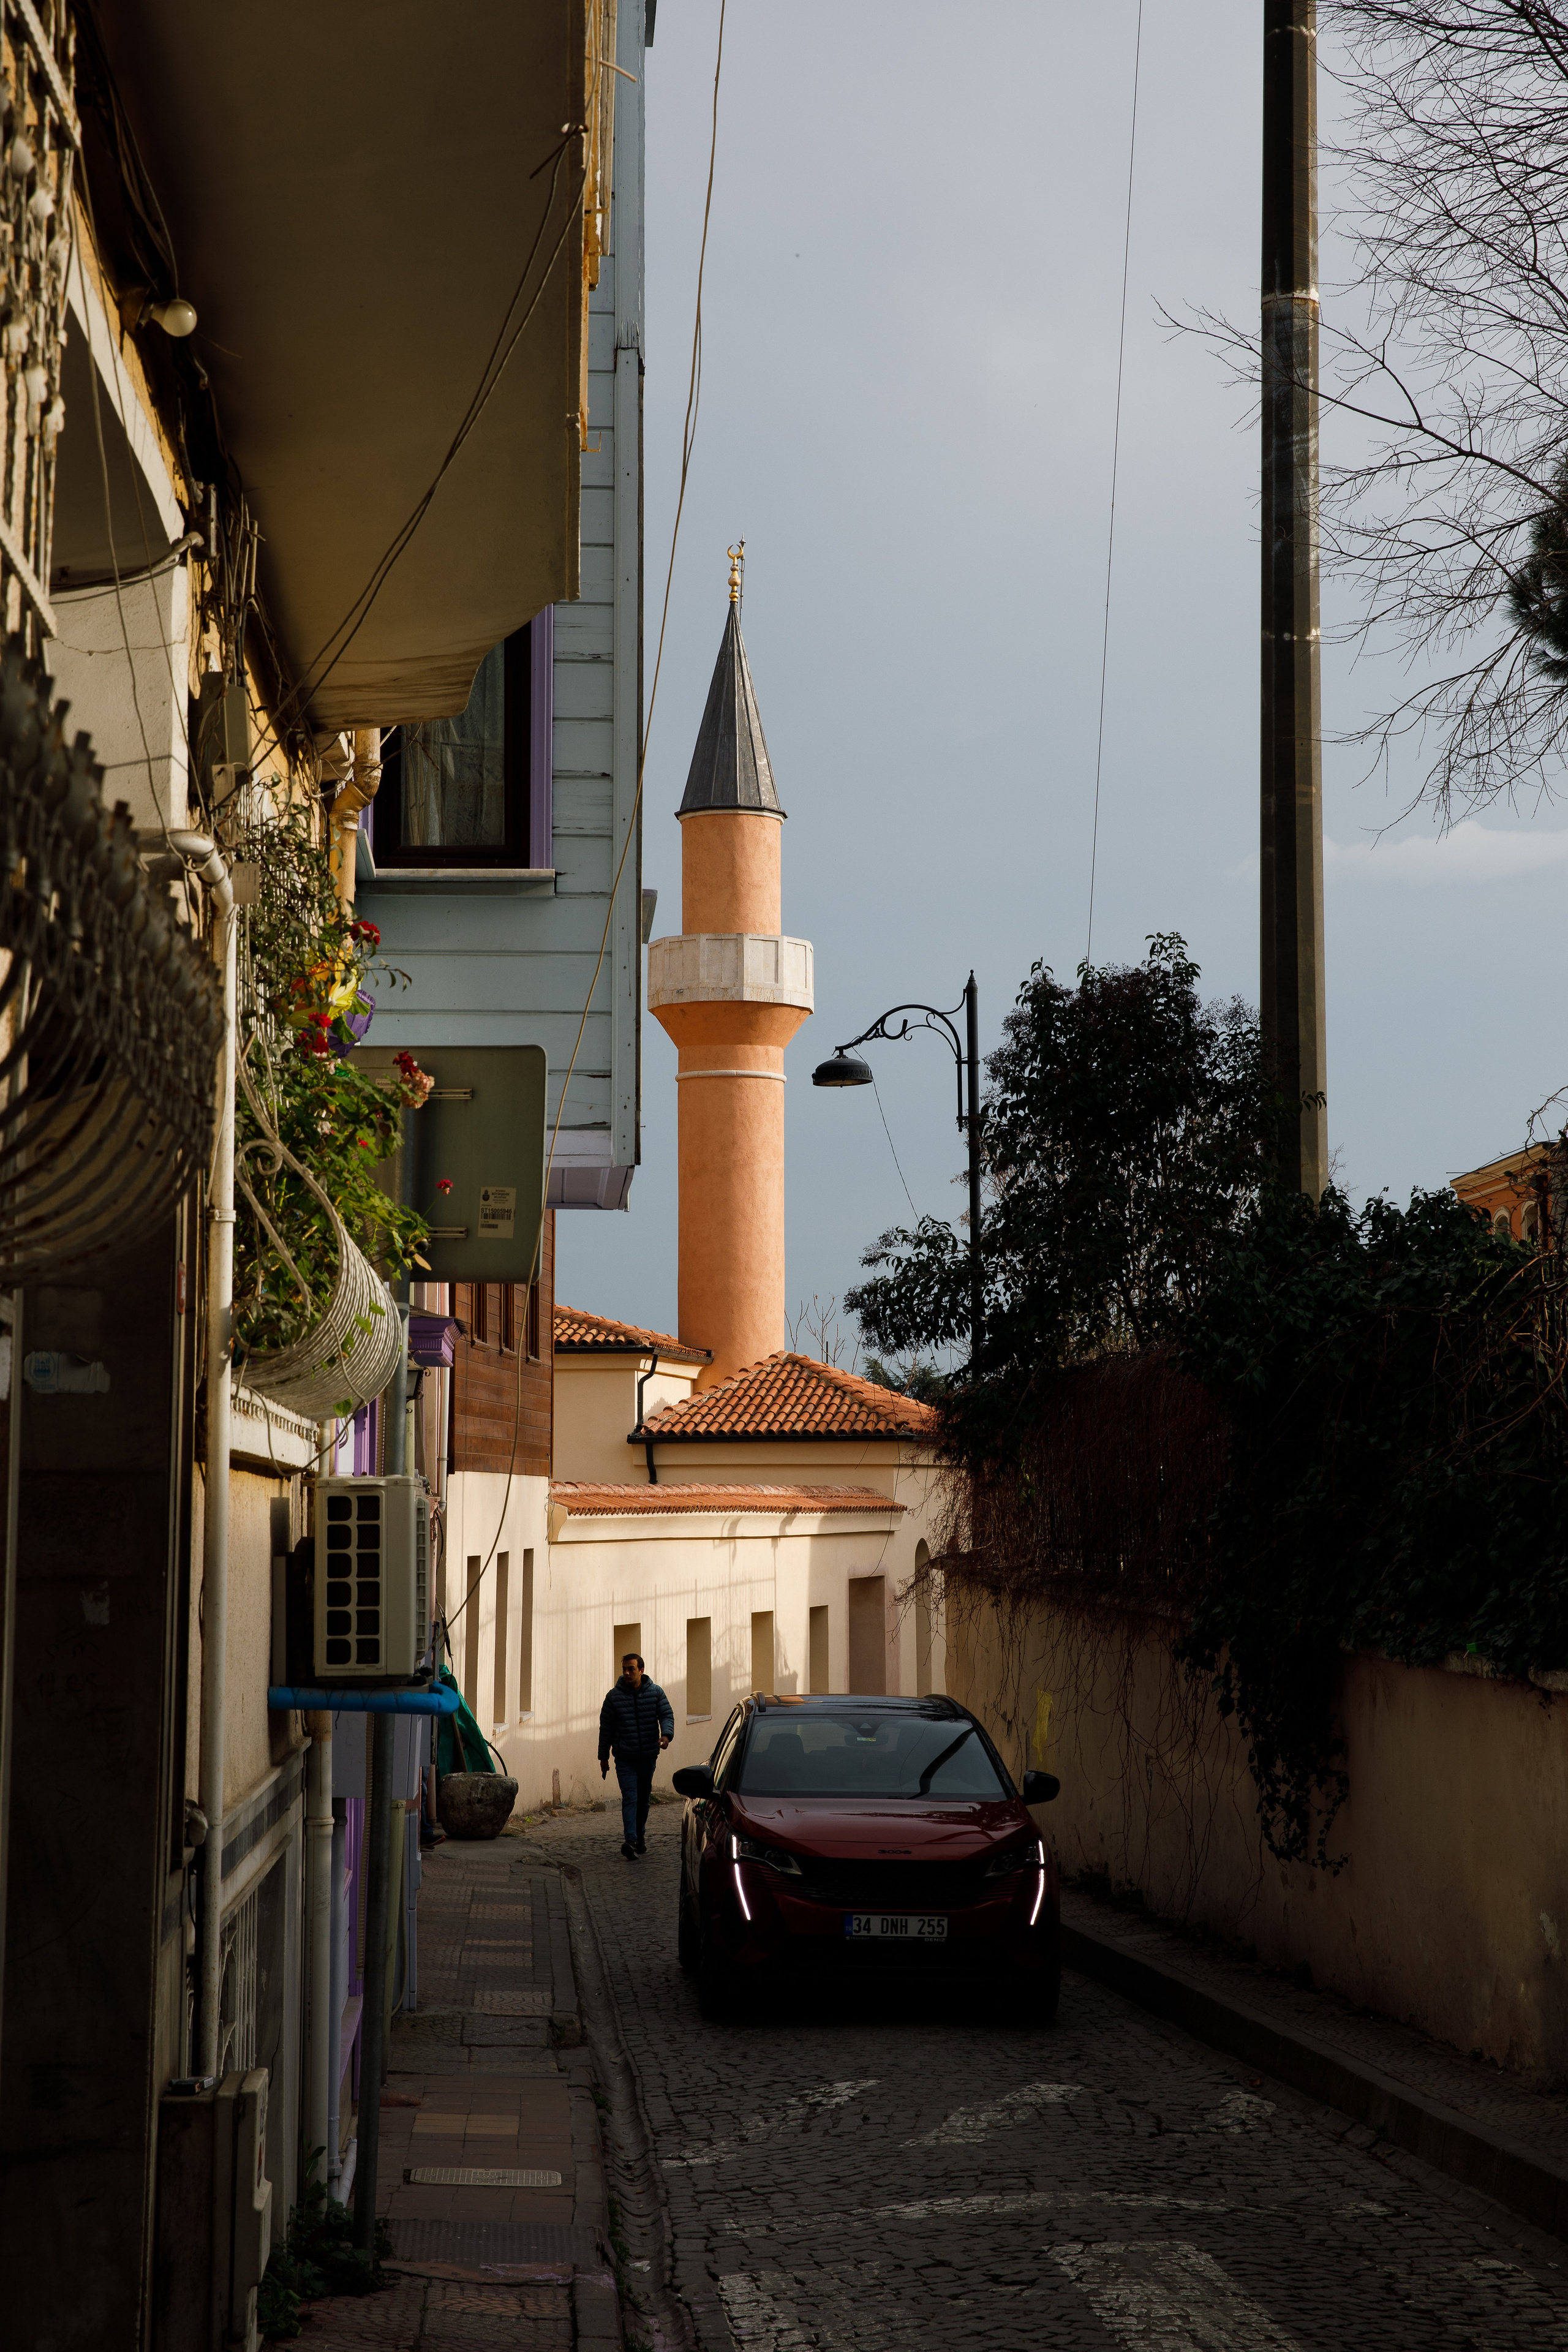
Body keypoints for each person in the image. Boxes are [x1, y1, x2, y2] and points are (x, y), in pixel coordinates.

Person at [598, 1652, 674, 1859]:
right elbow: (606, 1729)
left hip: (648, 1757)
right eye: (624, 1669)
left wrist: (666, 1735)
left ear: (641, 1671)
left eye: (631, 1669)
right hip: (625, 1758)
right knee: (630, 1797)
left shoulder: (655, 1693)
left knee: (643, 1800)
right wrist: (603, 1758)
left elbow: (666, 1714)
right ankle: (630, 1840)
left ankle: (640, 1837)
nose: (626, 1673)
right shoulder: (613, 1697)